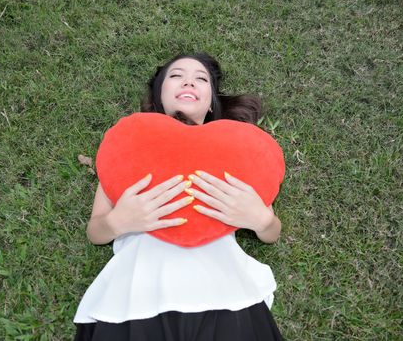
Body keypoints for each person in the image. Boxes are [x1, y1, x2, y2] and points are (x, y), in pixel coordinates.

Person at [73, 53, 284, 340]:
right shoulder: (129, 147)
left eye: (201, 78)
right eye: (176, 75)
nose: (189, 81)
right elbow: (96, 232)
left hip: (223, 291)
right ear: (159, 94)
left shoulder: (238, 152)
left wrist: (260, 219)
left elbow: (271, 233)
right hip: (137, 295)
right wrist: (120, 221)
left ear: (211, 103)